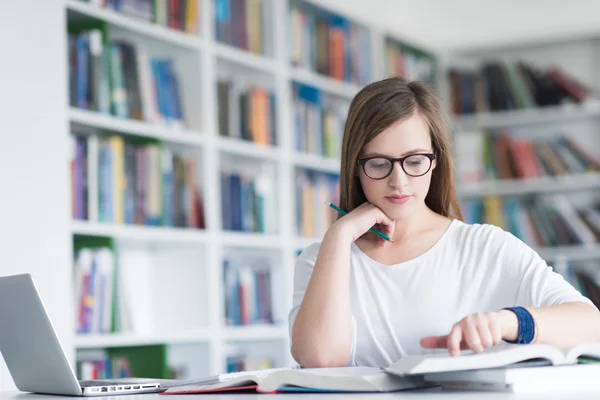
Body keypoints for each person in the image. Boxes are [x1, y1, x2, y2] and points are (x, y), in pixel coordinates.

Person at [288, 76, 600, 369]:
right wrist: (339, 237)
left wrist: (507, 322)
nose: (399, 181)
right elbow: (321, 358)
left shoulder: (484, 247)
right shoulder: (323, 259)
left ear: (435, 161)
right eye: (379, 163)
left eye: (414, 161)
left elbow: (591, 324)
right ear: (355, 167)